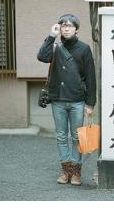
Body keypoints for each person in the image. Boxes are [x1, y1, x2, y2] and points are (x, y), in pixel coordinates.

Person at [37, 14, 96, 186]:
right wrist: (50, 36)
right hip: (58, 100)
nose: (66, 28)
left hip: (77, 100)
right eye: (63, 26)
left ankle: (76, 172)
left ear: (76, 29)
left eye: (70, 26)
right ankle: (66, 171)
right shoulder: (55, 47)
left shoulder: (84, 49)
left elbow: (90, 78)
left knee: (77, 137)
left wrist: (90, 103)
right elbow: (42, 57)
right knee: (61, 136)